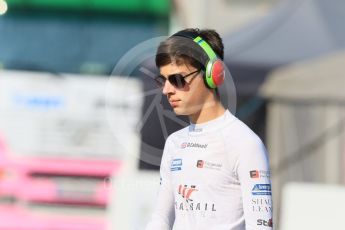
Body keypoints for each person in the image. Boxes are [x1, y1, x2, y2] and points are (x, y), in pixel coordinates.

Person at [145, 28, 273, 230]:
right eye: (163, 80)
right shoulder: (174, 143)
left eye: (177, 79)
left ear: (212, 74)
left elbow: (261, 226)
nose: (166, 90)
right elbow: (160, 218)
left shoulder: (245, 143)